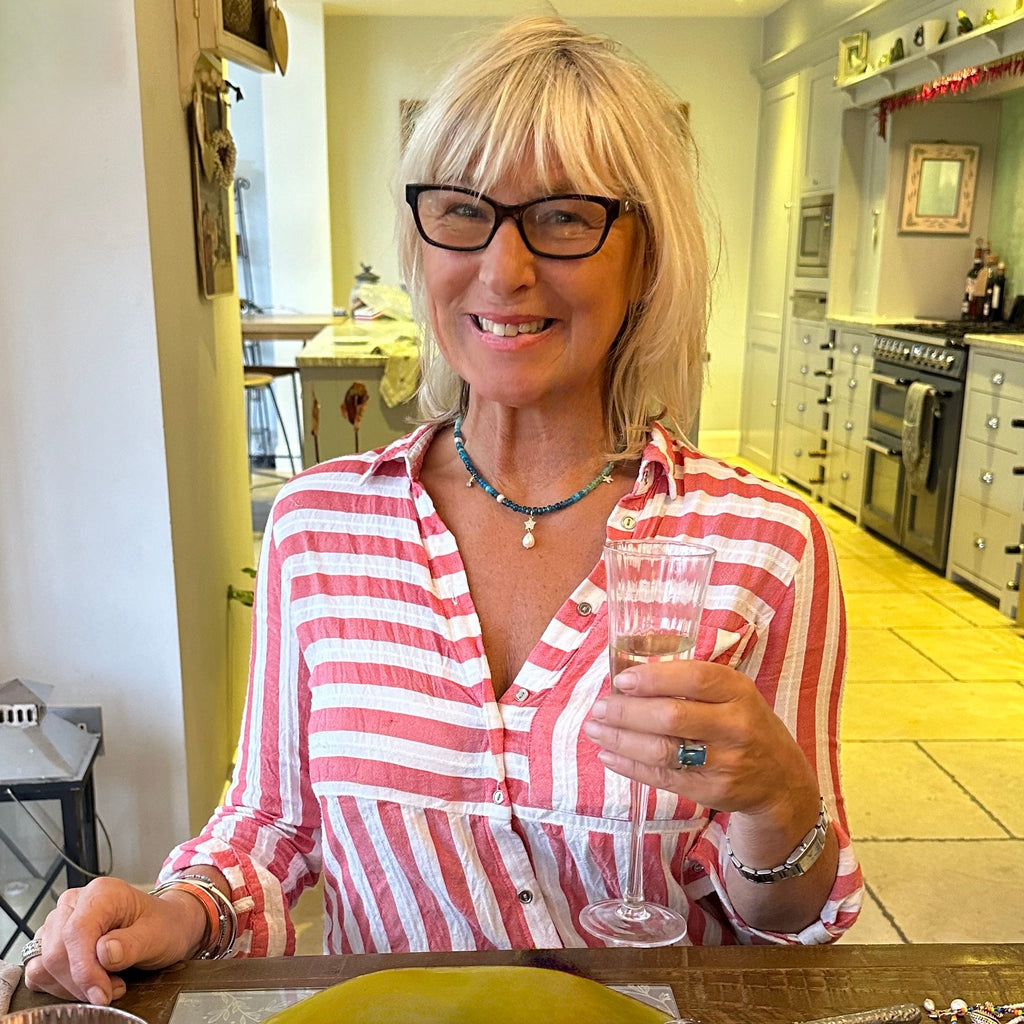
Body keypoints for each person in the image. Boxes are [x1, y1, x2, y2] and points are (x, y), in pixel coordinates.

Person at [24, 15, 862, 1006]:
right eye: (463, 211)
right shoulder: (318, 528)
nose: (503, 271)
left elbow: (787, 928)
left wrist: (778, 798)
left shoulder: (763, 545)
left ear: (645, 258)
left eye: (564, 217)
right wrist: (178, 908)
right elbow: (271, 827)